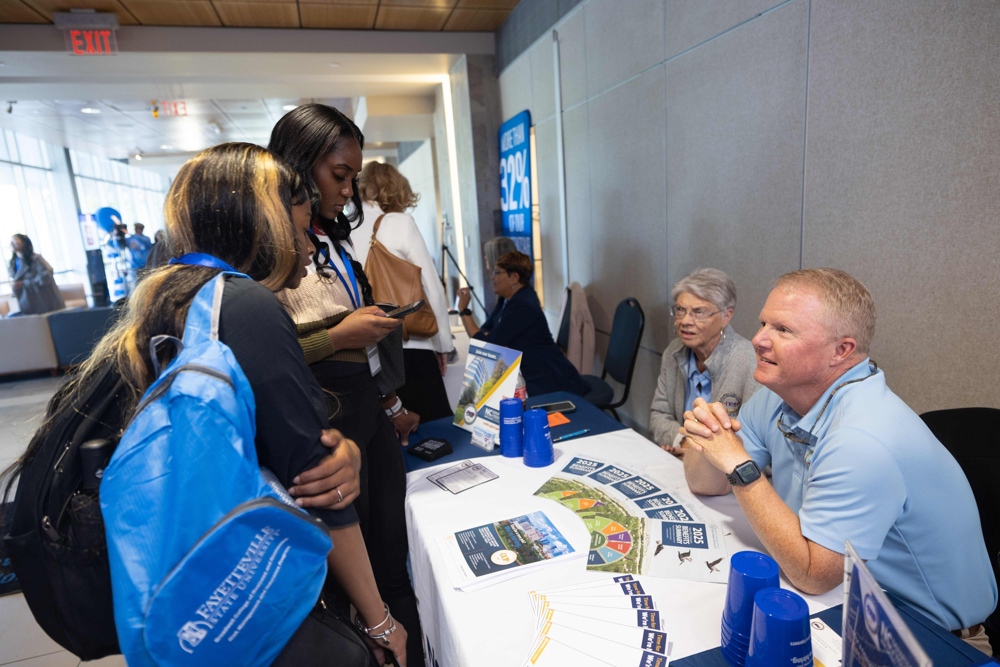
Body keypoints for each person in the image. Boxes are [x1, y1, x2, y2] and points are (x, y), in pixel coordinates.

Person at [2, 143, 406, 665]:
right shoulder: (245, 306)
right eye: (300, 217)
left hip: (186, 597)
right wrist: (380, 621)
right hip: (248, 597)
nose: (308, 240)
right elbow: (318, 483)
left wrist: (342, 452)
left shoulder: (170, 294)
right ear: (264, 218)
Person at [681, 268, 997, 654]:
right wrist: (706, 435)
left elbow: (814, 575)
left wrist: (740, 468)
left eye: (783, 330)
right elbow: (705, 483)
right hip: (847, 604)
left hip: (929, 640)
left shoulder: (862, 438)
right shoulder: (780, 393)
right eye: (764, 322)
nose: (759, 340)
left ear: (842, 351)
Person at [269, 103, 423, 665]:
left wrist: (391, 399)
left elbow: (360, 351)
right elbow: (271, 356)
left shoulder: (332, 240)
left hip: (367, 417)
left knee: (391, 555)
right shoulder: (269, 259)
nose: (348, 189)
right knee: (352, 580)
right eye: (339, 176)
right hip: (325, 434)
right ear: (298, 167)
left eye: (353, 176)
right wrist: (338, 336)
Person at [354, 161, 455, 421]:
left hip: (366, 350)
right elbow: (431, 286)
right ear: (397, 191)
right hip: (411, 344)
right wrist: (443, 344)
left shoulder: (344, 227)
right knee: (431, 428)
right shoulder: (400, 222)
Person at [649, 268, 759, 457]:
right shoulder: (673, 353)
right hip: (681, 462)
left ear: (726, 316)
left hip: (728, 478)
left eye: (698, 312)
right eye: (680, 310)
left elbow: (756, 444)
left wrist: (698, 454)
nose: (685, 321)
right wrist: (684, 442)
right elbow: (658, 416)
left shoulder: (750, 363)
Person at [458, 251, 589, 397]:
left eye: (497, 272)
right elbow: (486, 329)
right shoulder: (507, 299)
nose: (492, 277)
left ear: (514, 277)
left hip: (547, 380)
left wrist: (463, 310)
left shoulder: (523, 305)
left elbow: (487, 345)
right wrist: (489, 335)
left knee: (482, 392)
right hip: (526, 373)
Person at [7, 234, 65, 315]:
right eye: (11, 241)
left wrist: (25, 283)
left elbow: (46, 276)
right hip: (28, 302)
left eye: (16, 241)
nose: (12, 243)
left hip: (44, 300)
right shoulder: (13, 263)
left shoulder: (36, 259)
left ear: (24, 243)